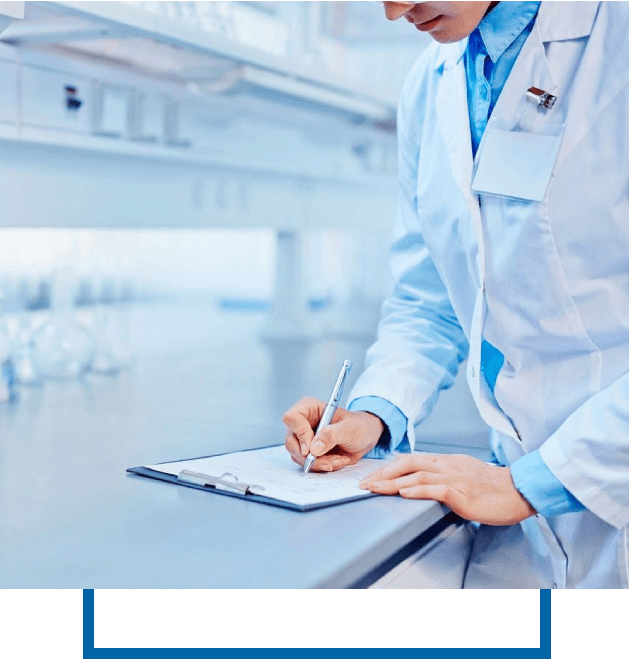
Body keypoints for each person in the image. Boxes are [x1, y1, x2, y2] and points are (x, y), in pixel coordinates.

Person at [282, 1, 629, 589]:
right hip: (520, 512)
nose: (396, 11)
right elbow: (431, 295)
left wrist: (533, 482)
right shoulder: (431, 82)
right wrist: (373, 413)